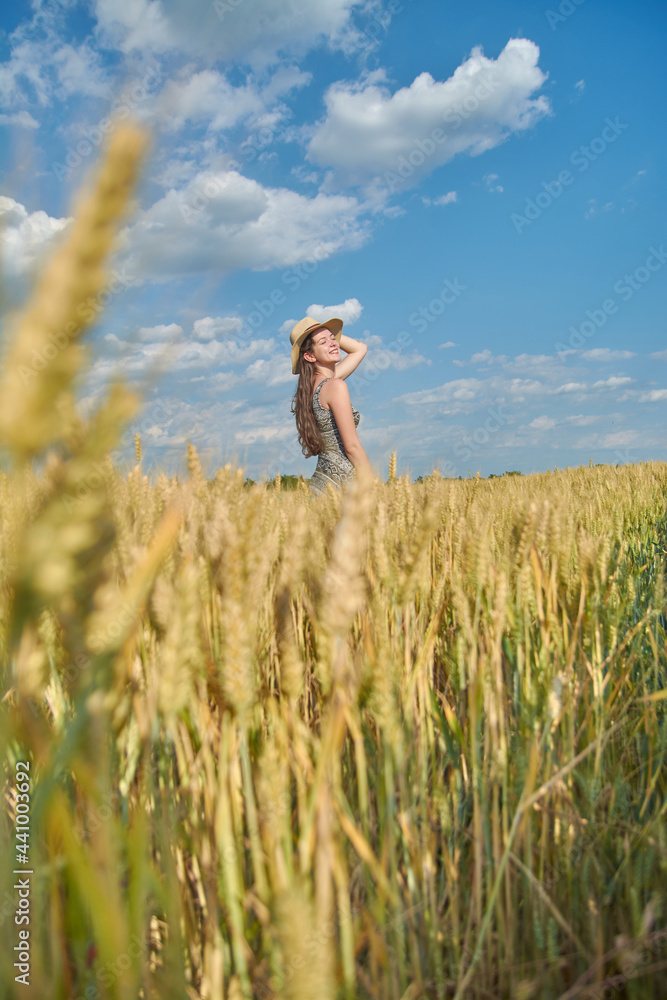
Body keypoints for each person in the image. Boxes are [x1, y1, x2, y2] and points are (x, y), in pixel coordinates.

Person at [289, 315, 375, 497]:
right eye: (323, 342)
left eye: (333, 338)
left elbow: (360, 349)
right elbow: (351, 447)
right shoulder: (335, 386)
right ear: (310, 355)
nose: (334, 343)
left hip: (320, 486)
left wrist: (324, 333)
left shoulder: (312, 389)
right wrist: (374, 488)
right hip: (343, 488)